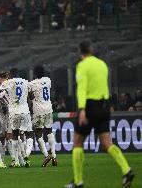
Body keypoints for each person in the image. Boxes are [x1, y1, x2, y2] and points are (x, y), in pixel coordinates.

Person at [65, 40, 134, 188]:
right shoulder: (102, 64)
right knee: (107, 143)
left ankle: (78, 181)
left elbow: (82, 89)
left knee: (77, 143)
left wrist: (82, 109)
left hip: (90, 106)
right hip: (104, 106)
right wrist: (108, 105)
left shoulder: (82, 66)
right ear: (91, 50)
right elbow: (104, 86)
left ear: (80, 52)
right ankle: (126, 170)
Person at [0, 68, 34, 167]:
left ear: (9, 75)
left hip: (13, 112)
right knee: (29, 134)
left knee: (14, 135)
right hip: (24, 110)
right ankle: (27, 154)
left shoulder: (8, 82)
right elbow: (32, 97)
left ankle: (16, 160)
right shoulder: (26, 82)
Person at [29, 65, 57, 167]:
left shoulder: (32, 83)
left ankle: (46, 155)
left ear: (35, 74)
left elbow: (31, 97)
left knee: (38, 133)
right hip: (48, 108)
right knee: (49, 131)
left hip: (38, 110)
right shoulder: (48, 80)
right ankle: (54, 155)